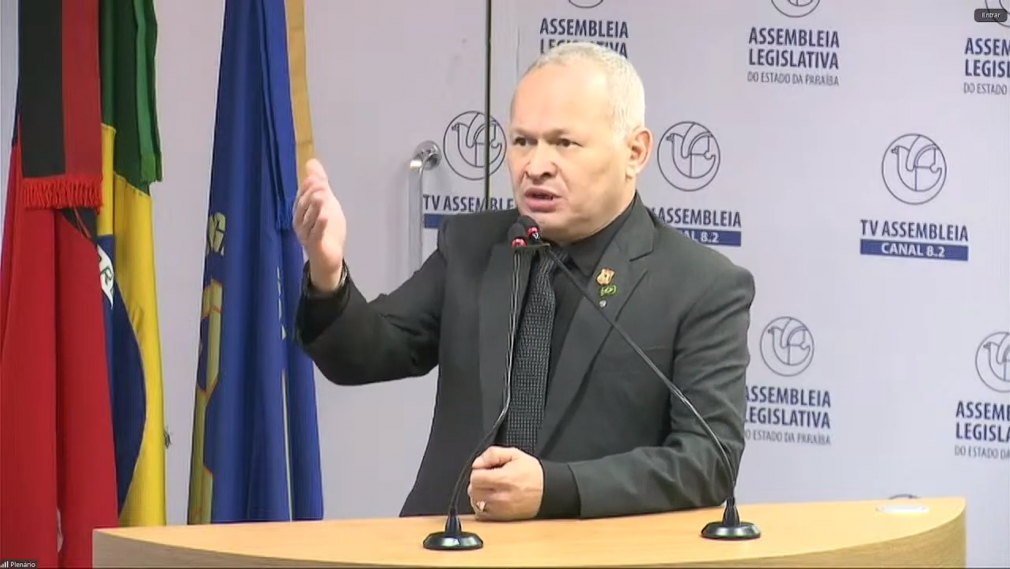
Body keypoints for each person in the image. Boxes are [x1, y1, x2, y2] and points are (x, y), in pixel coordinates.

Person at [292, 41, 756, 522]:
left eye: (564, 143)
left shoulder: (701, 286)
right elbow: (367, 353)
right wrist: (328, 272)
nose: (535, 166)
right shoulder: (471, 246)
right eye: (522, 141)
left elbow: (708, 461)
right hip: (449, 541)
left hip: (589, 548)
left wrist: (556, 488)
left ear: (634, 152)